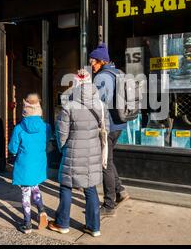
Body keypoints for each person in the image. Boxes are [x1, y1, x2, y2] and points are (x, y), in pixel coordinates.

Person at [48, 69, 108, 237]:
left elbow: (61, 134)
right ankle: (94, 227)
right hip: (93, 153)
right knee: (90, 188)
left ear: (75, 85)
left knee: (67, 186)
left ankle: (62, 223)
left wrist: (63, 148)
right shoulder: (101, 106)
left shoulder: (69, 107)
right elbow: (106, 130)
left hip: (73, 152)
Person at [89, 43, 130, 217]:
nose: (91, 64)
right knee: (109, 159)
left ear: (102, 61)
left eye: (93, 60)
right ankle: (120, 191)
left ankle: (109, 205)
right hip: (119, 123)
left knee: (104, 163)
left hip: (108, 126)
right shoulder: (118, 73)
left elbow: (96, 103)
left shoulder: (101, 78)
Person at [8, 93, 51, 234]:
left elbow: (12, 149)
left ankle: (27, 224)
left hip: (24, 165)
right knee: (35, 186)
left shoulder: (19, 128)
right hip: (39, 163)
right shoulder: (46, 127)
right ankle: (42, 210)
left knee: (26, 193)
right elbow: (48, 141)